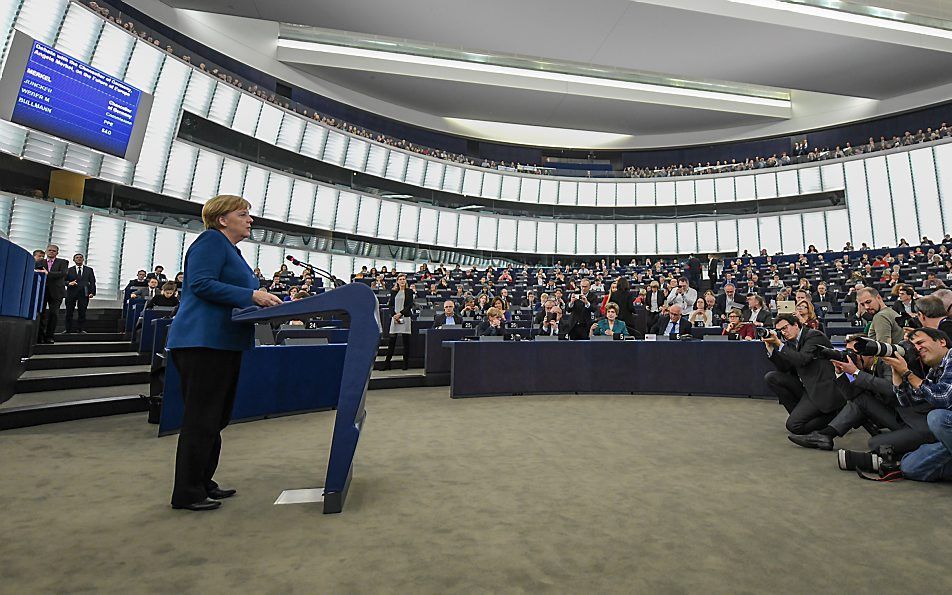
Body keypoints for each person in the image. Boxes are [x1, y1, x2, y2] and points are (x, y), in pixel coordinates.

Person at [165, 195, 283, 511]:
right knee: (201, 419)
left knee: (216, 418)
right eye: (243, 214)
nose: (250, 219)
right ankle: (187, 492)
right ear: (222, 219)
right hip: (202, 341)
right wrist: (252, 295)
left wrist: (258, 300)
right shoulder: (210, 242)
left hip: (225, 342)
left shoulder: (233, 251)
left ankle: (204, 481)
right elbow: (202, 284)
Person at [838, 328, 952, 481]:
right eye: (914, 345)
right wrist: (898, 377)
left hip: (930, 424)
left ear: (942, 342)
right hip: (909, 420)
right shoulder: (935, 370)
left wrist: (907, 373)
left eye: (921, 342)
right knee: (910, 468)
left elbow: (942, 397)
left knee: (937, 417)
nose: (917, 349)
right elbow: (911, 400)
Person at [763, 313, 845, 435]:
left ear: (796, 324)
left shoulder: (814, 336)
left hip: (822, 388)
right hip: (806, 386)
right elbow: (785, 367)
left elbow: (802, 360)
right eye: (780, 330)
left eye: (785, 328)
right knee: (772, 378)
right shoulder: (791, 341)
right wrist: (770, 347)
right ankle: (803, 416)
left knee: (794, 426)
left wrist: (780, 344)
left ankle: (834, 417)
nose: (783, 332)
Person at [37, 244, 68, 344]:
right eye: (49, 250)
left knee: (53, 314)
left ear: (57, 253)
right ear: (46, 251)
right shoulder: (40, 262)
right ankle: (40, 337)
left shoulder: (63, 262)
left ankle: (49, 336)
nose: (51, 252)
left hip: (56, 292)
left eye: (54, 251)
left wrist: (48, 274)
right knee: (41, 314)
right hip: (42, 291)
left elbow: (63, 273)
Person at [383, 273, 414, 370]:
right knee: (392, 341)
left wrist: (400, 314)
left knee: (406, 342)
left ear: (406, 281)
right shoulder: (394, 291)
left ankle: (405, 364)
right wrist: (394, 315)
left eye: (403, 279)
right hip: (395, 318)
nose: (402, 281)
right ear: (397, 281)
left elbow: (409, 305)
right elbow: (391, 305)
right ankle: (387, 364)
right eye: (400, 279)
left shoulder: (409, 291)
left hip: (405, 317)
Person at [64, 253, 96, 334]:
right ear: (74, 260)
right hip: (71, 292)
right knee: (69, 311)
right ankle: (68, 329)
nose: (79, 259)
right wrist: (68, 283)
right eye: (77, 257)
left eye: (81, 257)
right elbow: (63, 280)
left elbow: (92, 281)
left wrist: (92, 292)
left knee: (82, 311)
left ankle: (80, 329)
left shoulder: (89, 270)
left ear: (83, 259)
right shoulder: (69, 270)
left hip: (84, 293)